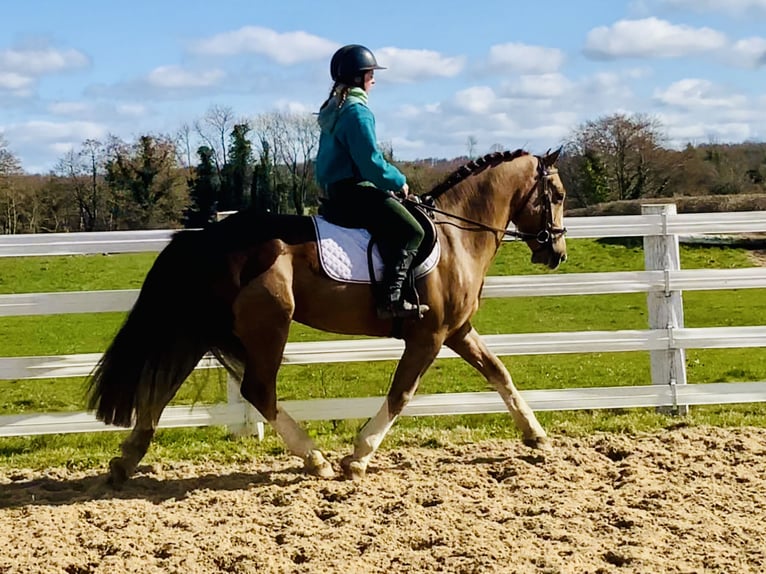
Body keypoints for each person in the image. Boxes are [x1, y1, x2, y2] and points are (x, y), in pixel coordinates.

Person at [315, 44, 429, 320]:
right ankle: (391, 299)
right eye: (370, 74)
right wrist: (398, 181)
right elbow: (371, 163)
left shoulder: (334, 109)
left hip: (335, 191)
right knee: (413, 231)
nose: (374, 79)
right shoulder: (357, 112)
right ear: (359, 79)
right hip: (355, 191)